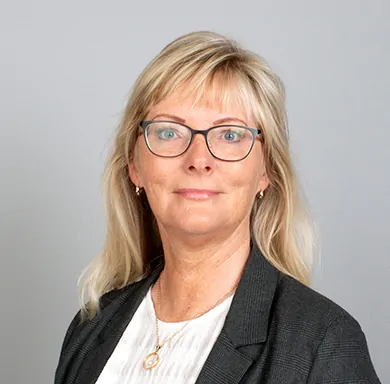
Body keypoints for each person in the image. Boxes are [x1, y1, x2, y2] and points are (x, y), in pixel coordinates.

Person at [54, 31, 381, 384]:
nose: (199, 160)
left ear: (265, 170)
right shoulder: (90, 329)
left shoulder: (321, 344)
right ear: (135, 165)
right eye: (168, 132)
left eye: (229, 135)